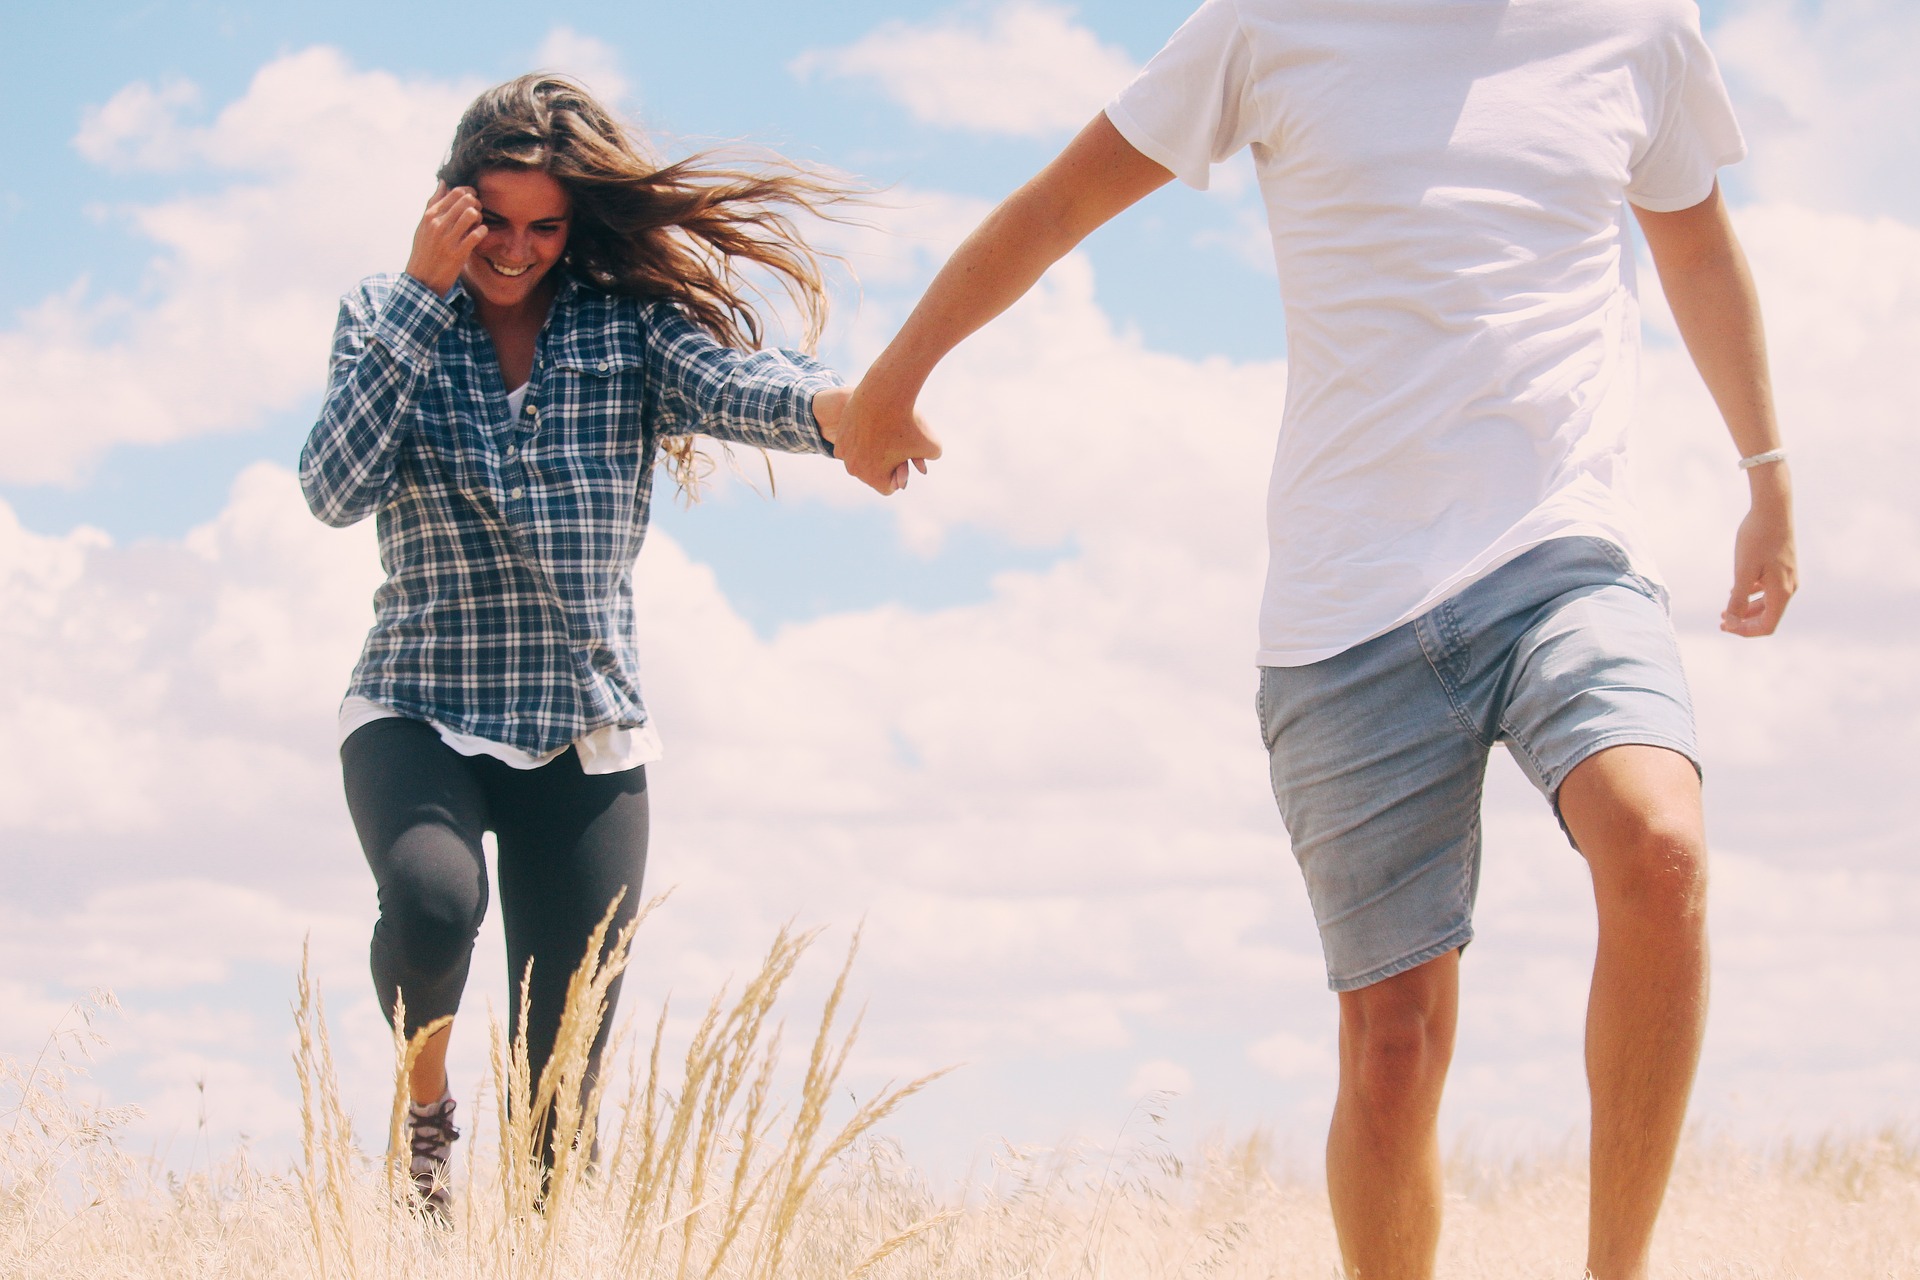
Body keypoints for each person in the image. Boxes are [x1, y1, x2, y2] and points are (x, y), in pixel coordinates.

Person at [831, 2, 1792, 1277]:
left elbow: (1698, 250)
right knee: (1393, 1043)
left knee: (1661, 847)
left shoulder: (1634, 29)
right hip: (1348, 607)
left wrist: (1767, 473)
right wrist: (896, 376)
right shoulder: (1268, 25)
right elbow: (1059, 206)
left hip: (1563, 552)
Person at [299, 74, 892, 1216]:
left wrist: (849, 411)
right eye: (493, 221)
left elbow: (741, 385)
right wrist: (426, 296)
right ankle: (427, 1112)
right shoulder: (384, 314)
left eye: (545, 226)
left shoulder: (626, 332)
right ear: (447, 205)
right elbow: (333, 487)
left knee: (555, 1114)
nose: (517, 249)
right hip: (419, 700)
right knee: (429, 903)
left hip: (584, 726)